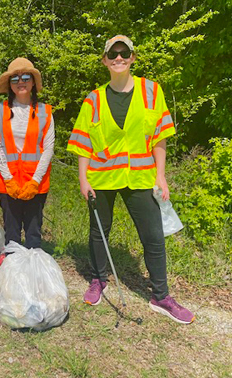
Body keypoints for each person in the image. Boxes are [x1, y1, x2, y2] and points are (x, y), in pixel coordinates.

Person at [67, 35, 195, 324]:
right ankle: (99, 280)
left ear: (133, 58)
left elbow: (160, 137)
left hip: (141, 177)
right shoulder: (94, 99)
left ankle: (161, 296)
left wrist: (161, 176)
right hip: (102, 178)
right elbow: (83, 142)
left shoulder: (151, 91)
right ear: (104, 60)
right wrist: (83, 179)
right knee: (100, 232)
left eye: (124, 53)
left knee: (152, 236)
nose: (119, 58)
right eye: (113, 53)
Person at [0, 58, 54, 250]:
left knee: (34, 232)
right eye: (15, 78)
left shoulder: (45, 112)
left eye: (26, 77)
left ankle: (33, 273)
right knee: (12, 232)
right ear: (9, 84)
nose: (21, 82)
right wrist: (8, 179)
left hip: (36, 182)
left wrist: (35, 181)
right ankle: (13, 274)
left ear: (33, 82)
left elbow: (49, 148)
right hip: (7, 182)